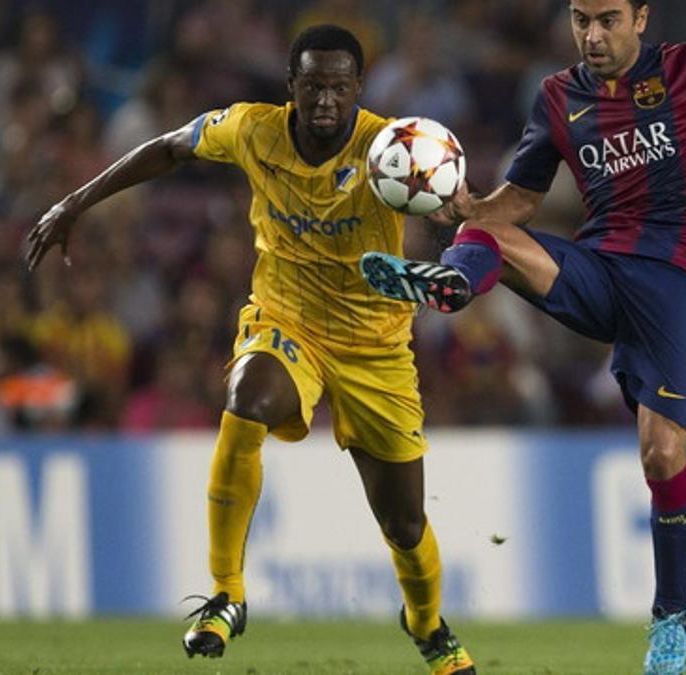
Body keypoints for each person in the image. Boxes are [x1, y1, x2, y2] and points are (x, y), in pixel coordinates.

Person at [358, 1, 686, 673]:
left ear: (641, 18)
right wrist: (470, 208)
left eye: (608, 19)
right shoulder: (559, 97)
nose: (592, 34)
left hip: (677, 280)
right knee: (486, 233)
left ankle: (672, 615)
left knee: (661, 455)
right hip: (601, 268)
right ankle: (452, 285)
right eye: (581, 19)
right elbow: (521, 200)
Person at [27, 24, 475, 675]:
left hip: (376, 349)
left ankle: (428, 624)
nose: (326, 99)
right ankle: (227, 593)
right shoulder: (251, 129)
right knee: (245, 402)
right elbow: (168, 148)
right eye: (313, 85)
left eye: (339, 87)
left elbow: (454, 206)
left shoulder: (392, 147)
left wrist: (449, 218)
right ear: (291, 86)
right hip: (286, 321)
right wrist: (76, 201)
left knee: (404, 526)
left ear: (358, 90)